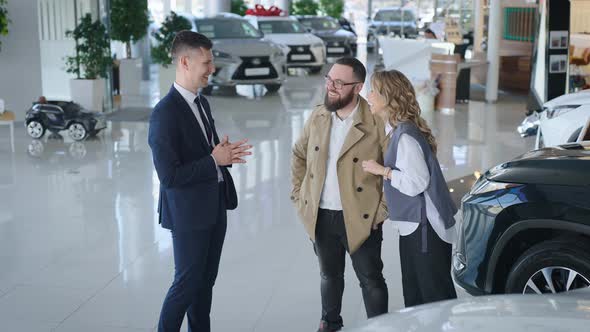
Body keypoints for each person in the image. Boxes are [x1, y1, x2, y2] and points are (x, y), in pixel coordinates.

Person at [148, 30, 253, 332]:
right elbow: (169, 176)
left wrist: (223, 155)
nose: (212, 68)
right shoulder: (164, 114)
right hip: (189, 213)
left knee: (205, 283)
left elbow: (206, 153)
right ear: (185, 61)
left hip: (214, 205)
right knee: (186, 283)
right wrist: (212, 161)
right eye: (206, 62)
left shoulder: (201, 103)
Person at [291, 57, 389, 332]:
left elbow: (392, 168)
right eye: (329, 80)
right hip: (322, 215)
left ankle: (381, 327)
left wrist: (380, 212)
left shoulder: (375, 120)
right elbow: (299, 154)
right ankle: (330, 323)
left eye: (339, 83)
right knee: (329, 275)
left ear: (357, 88)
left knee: (371, 279)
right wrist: (300, 197)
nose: (330, 87)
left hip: (361, 216)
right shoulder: (319, 115)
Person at [362, 70, 458, 307]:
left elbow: (417, 183)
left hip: (425, 229)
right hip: (415, 227)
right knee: (417, 297)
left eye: (373, 91)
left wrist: (381, 170)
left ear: (388, 96)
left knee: (433, 298)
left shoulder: (404, 136)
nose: (368, 96)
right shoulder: (397, 130)